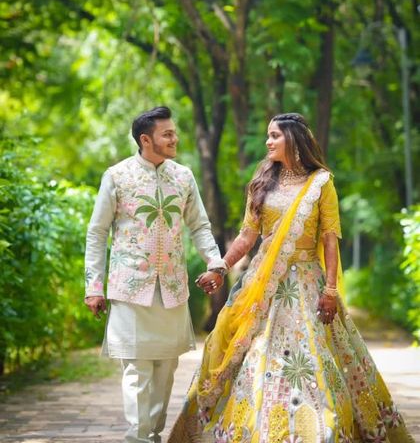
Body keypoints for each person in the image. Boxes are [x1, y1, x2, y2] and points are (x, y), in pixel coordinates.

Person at [168, 113, 414, 443]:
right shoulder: (262, 182)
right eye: (268, 135)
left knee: (314, 354)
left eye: (275, 135)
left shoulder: (321, 183)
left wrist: (330, 290)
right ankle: (258, 424)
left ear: (294, 140)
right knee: (255, 351)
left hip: (308, 286)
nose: (268, 141)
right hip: (263, 287)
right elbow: (246, 236)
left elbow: (329, 239)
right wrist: (220, 267)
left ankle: (319, 427)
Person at [84, 106, 227, 443]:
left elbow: (199, 226)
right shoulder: (117, 176)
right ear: (145, 140)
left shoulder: (183, 177)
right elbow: (97, 233)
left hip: (173, 288)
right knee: (137, 368)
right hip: (129, 287)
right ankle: (138, 437)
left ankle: (152, 434)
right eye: (168, 134)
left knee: (166, 368)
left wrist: (215, 262)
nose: (175, 139)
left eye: (174, 133)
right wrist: (94, 286)